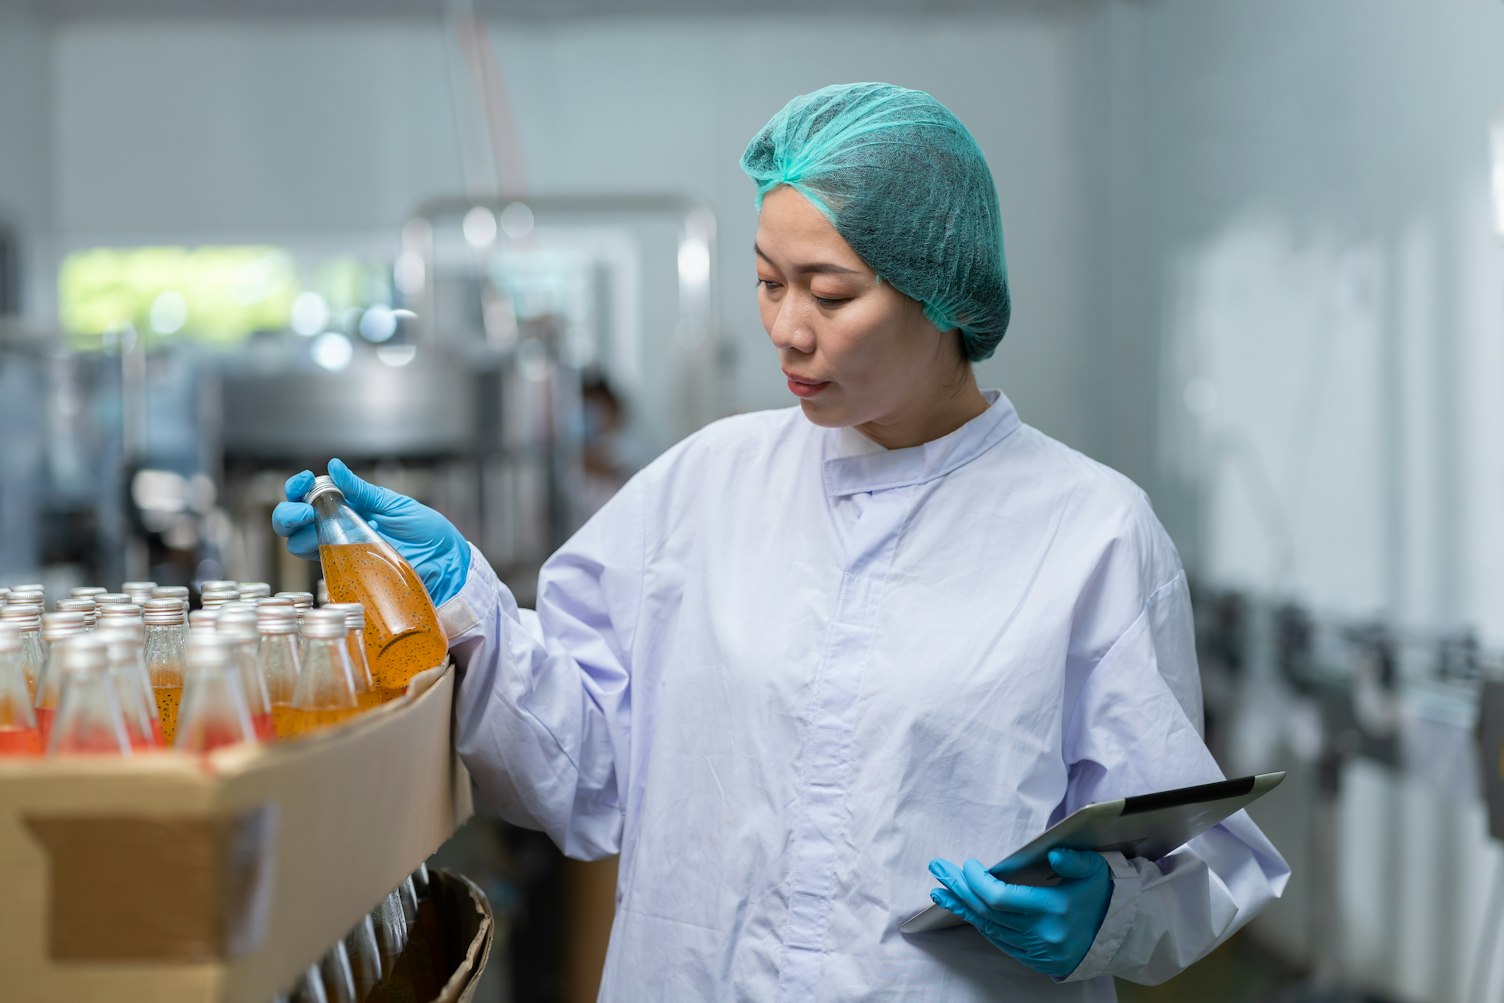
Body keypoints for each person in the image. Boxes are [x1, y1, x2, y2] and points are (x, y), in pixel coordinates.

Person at [274, 82, 1288, 1001]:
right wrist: (460, 594)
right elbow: (580, 770)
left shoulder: (1090, 533)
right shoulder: (704, 486)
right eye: (768, 281)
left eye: (831, 293)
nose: (786, 330)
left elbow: (1192, 859)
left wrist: (1103, 917)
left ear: (943, 295)